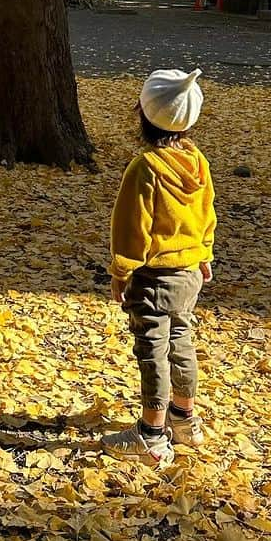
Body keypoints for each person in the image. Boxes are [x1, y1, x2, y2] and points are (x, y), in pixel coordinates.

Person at [101, 68, 216, 467]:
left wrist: (121, 272)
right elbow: (207, 216)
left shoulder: (145, 169)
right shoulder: (197, 164)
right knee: (182, 342)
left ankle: (151, 434)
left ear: (144, 114)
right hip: (189, 274)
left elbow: (132, 229)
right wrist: (205, 255)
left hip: (153, 277)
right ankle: (184, 419)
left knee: (152, 349)